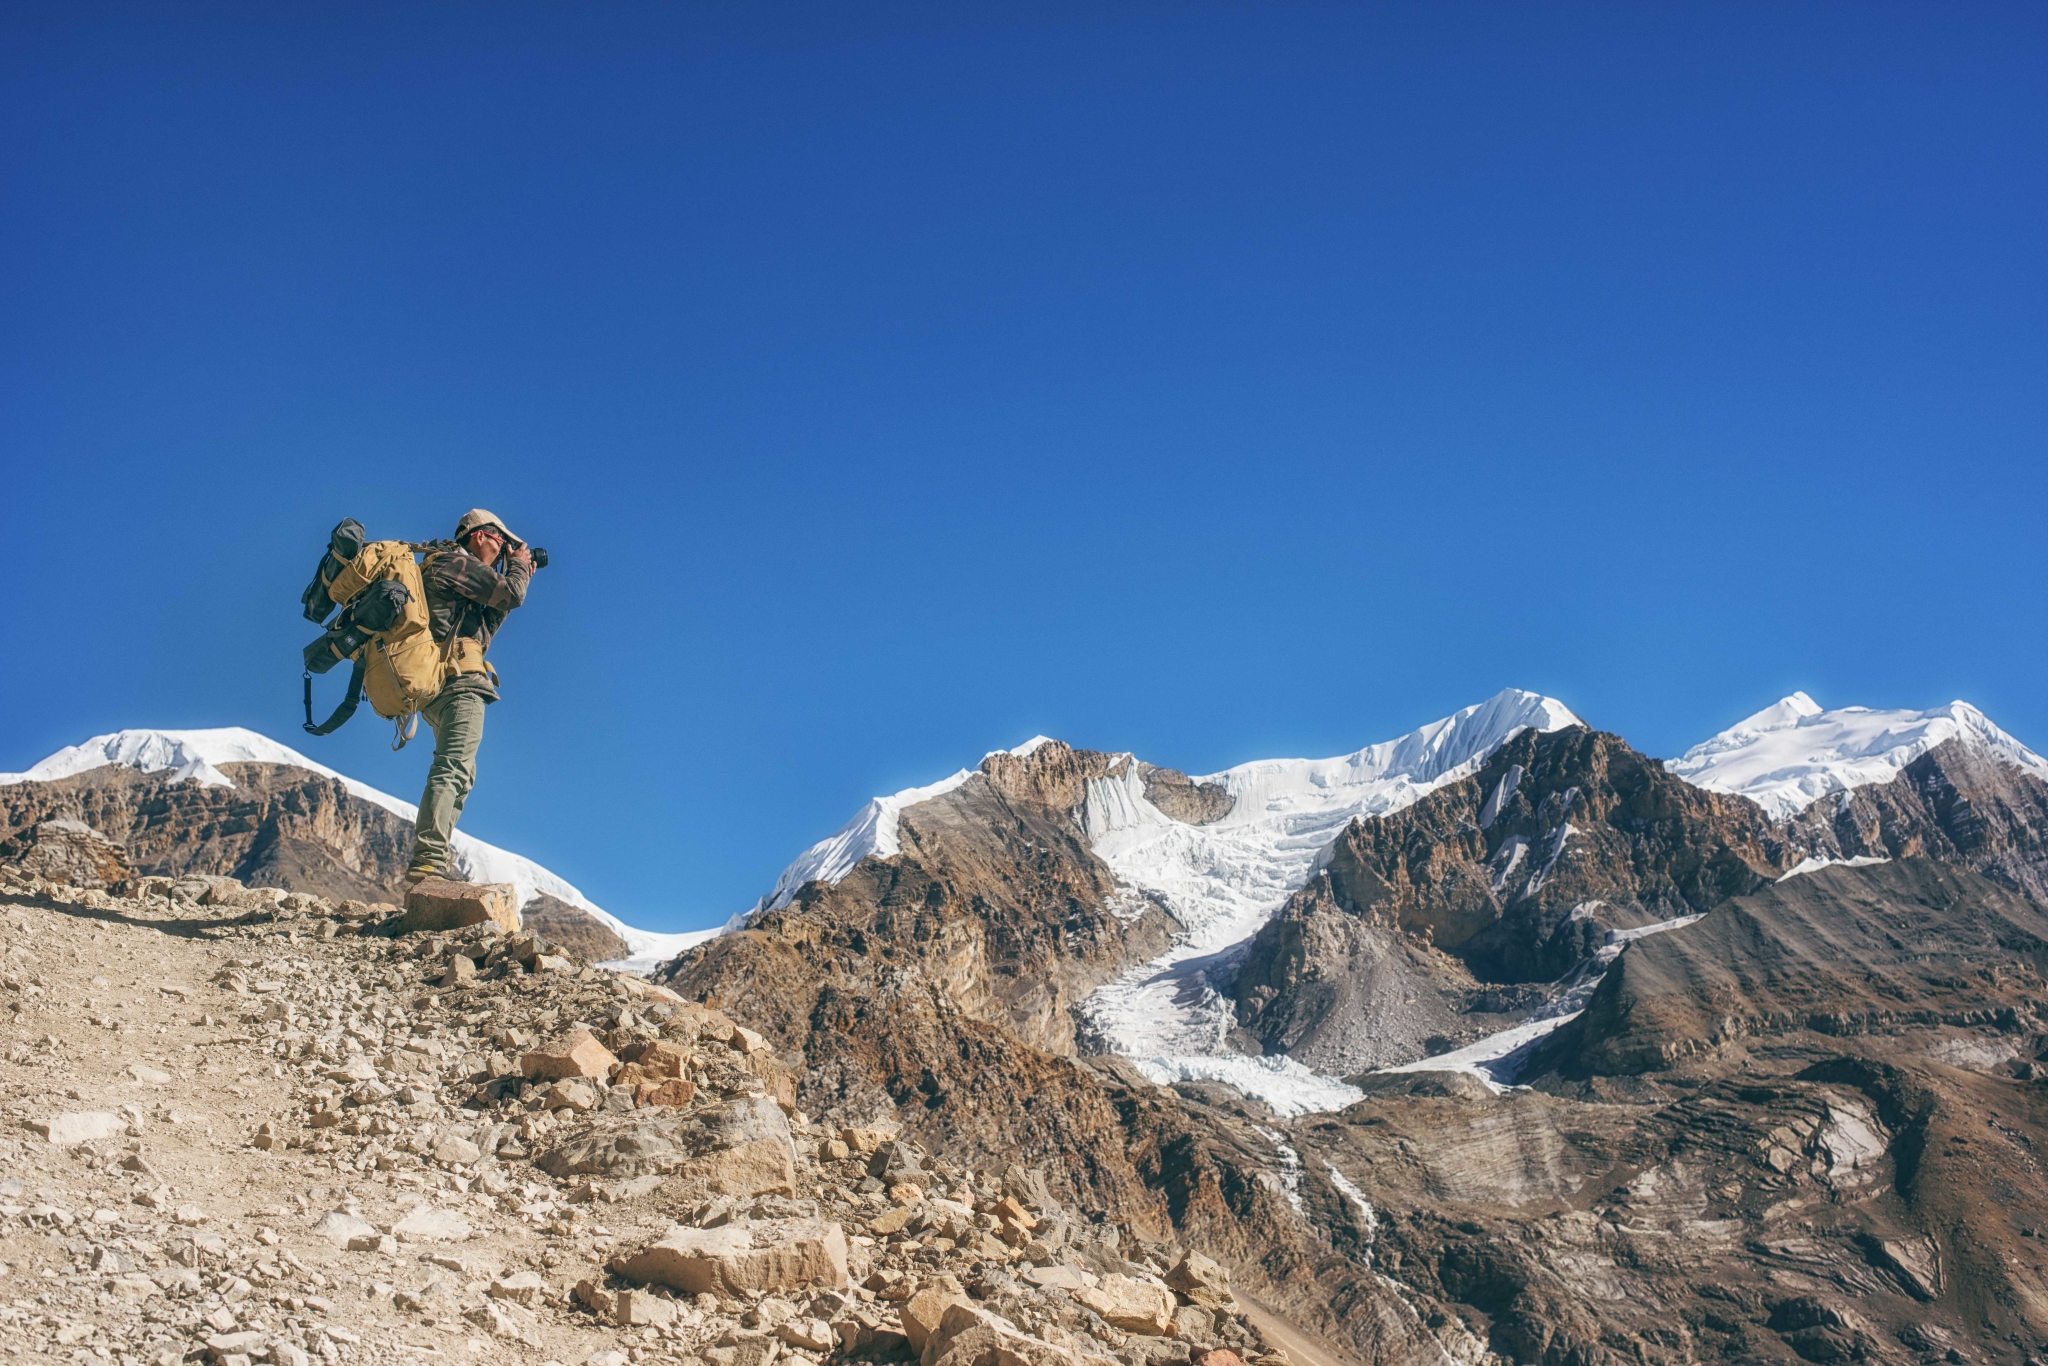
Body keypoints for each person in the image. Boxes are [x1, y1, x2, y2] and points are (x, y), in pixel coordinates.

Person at [405, 508, 536, 884]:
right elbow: (510, 595)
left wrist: (518, 572)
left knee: (462, 771)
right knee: (454, 767)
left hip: (441, 682)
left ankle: (432, 856)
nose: (505, 548)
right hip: (456, 682)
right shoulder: (454, 563)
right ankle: (429, 859)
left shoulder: (449, 570)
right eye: (501, 540)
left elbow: (487, 624)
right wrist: (519, 570)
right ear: (478, 535)